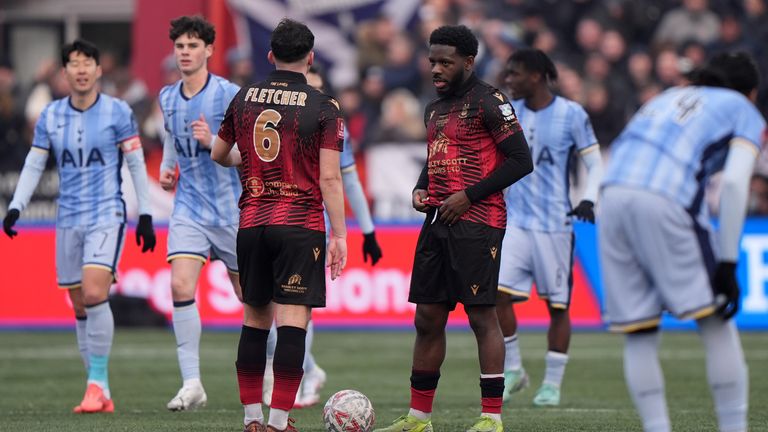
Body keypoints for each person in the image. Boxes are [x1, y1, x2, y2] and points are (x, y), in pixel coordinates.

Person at [375, 25, 532, 432]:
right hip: (436, 222)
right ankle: (418, 418)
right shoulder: (434, 108)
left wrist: (469, 195)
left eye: (445, 62)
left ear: (468, 61)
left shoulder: (491, 101)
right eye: (432, 62)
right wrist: (419, 188)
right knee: (427, 317)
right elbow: (434, 158)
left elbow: (520, 160)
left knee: (482, 316)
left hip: (479, 224)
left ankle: (491, 418)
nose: (436, 69)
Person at [599, 52, 765, 432]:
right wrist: (727, 262)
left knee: (639, 332)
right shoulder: (742, 107)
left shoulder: (663, 97)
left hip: (613, 197)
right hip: (665, 198)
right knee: (716, 320)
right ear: (751, 92)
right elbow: (737, 182)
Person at [2, 39, 156, 413]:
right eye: (74, 63)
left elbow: (135, 164)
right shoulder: (51, 116)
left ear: (99, 70)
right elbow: (36, 164)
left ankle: (96, 383)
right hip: (67, 217)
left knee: (92, 291)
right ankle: (99, 390)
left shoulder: (118, 112)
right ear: (65, 72)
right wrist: (16, 205)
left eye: (88, 62)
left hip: (107, 214)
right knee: (79, 304)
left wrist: (147, 214)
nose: (82, 69)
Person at [211, 18, 347, 432]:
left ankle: (252, 419)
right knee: (292, 323)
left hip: (252, 223)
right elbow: (329, 177)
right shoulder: (324, 106)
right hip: (299, 224)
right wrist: (339, 234)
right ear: (310, 57)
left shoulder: (244, 97)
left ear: (270, 55)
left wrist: (251, 164)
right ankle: (279, 421)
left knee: (254, 322)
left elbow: (219, 154)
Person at [261, 66, 383, 409]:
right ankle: (309, 371)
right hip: (272, 220)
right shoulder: (278, 120)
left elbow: (348, 180)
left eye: (314, 87)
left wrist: (368, 230)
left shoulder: (329, 120)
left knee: (297, 309)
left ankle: (296, 376)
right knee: (270, 311)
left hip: (312, 223)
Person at [495, 48, 604, 406]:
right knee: (497, 295)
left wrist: (588, 198)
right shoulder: (510, 114)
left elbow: (594, 161)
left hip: (555, 224)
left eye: (515, 74)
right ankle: (514, 370)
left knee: (557, 306)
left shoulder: (572, 114)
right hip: (516, 222)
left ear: (537, 76)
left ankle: (552, 384)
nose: (508, 80)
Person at [157, 15, 242, 411]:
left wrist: (215, 144)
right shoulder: (167, 96)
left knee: (253, 299)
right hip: (188, 208)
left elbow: (251, 157)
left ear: (209, 50)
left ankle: (275, 368)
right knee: (180, 287)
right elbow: (172, 138)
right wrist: (167, 167)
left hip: (232, 212)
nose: (185, 52)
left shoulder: (230, 95)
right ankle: (192, 383)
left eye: (193, 46)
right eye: (180, 46)